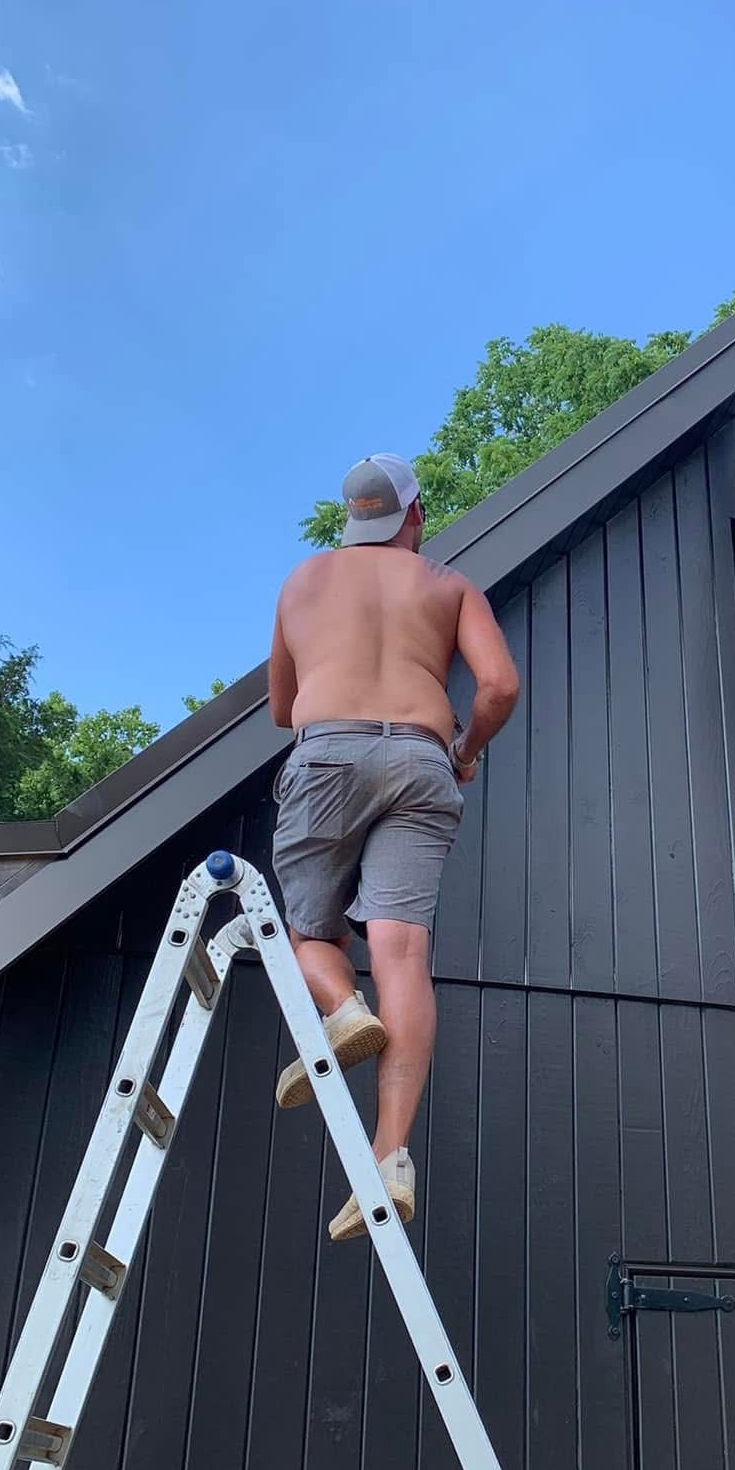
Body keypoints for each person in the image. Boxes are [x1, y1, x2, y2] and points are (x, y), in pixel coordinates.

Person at [267, 452, 519, 1242]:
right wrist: (466, 749)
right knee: (403, 954)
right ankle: (390, 1157)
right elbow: (499, 687)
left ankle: (343, 1009)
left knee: (306, 932)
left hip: (329, 749)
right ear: (415, 515)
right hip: (422, 756)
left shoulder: (304, 581)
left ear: (355, 521)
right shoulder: (449, 585)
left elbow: (283, 708)